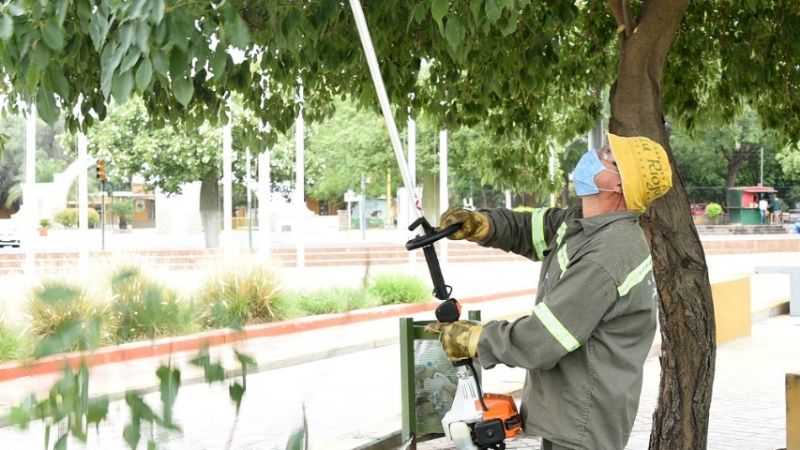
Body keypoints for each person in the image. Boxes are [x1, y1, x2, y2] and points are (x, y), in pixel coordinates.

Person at [427, 134, 672, 450]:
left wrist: (475, 339)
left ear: (618, 184)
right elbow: (530, 228)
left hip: (585, 423)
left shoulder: (608, 254)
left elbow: (543, 339)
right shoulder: (584, 223)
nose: (594, 154)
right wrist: (484, 224)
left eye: (607, 155)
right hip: (571, 415)